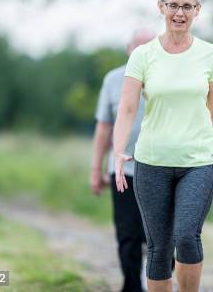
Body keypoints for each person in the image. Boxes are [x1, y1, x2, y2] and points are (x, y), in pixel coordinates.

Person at [113, 0, 213, 292]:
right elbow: (126, 109)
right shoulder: (143, 55)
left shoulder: (210, 54)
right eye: (173, 5)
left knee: (186, 237)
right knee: (158, 250)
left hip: (196, 162)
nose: (179, 13)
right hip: (151, 163)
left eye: (187, 6)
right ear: (161, 7)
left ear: (198, 10)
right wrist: (117, 152)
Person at [91, 28, 155, 292]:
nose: (140, 51)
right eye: (136, 46)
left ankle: (158, 278)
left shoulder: (166, 78)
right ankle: (131, 286)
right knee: (128, 233)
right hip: (123, 169)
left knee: (158, 233)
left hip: (160, 169)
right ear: (128, 49)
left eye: (147, 46)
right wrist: (96, 168)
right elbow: (104, 126)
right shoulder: (113, 80)